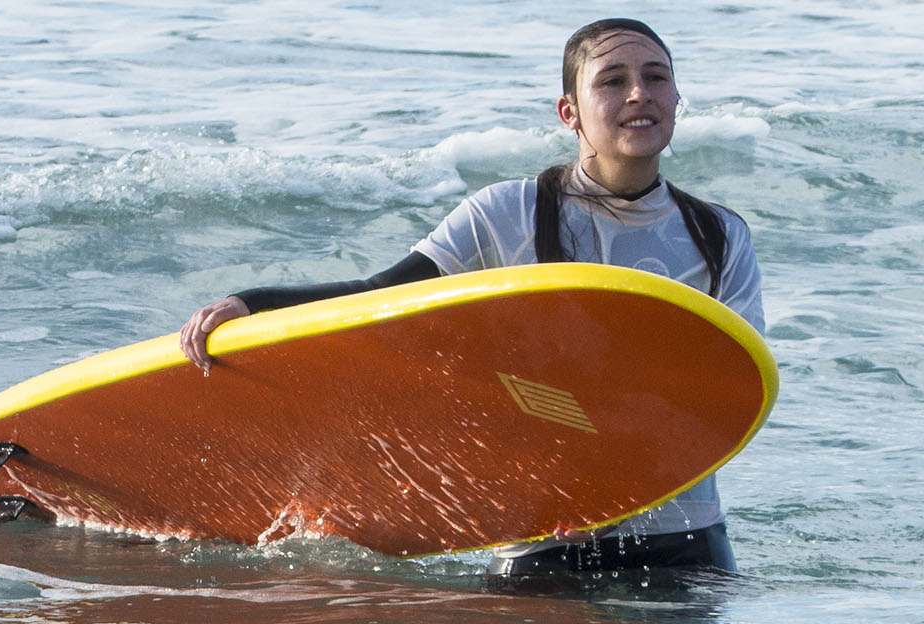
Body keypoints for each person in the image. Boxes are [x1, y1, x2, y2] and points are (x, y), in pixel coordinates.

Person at [179, 18, 763, 578]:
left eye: (656, 77)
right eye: (612, 81)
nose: (639, 93)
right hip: (538, 535)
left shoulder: (717, 235)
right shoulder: (505, 214)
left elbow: (725, 396)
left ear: (677, 98)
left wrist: (613, 491)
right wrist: (252, 303)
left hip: (683, 540)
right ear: (570, 113)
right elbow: (383, 297)